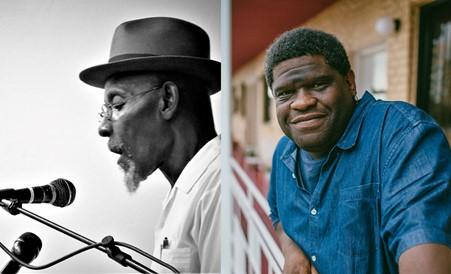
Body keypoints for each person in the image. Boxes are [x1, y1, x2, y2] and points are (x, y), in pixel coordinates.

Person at [265, 27, 451, 274]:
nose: (302, 102)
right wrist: (292, 252)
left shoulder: (403, 136)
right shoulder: (283, 152)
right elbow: (277, 214)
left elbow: (420, 234)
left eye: (319, 84)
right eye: (285, 93)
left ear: (350, 82)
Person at [79, 17, 220, 273]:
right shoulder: (190, 190)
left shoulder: (219, 191)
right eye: (105, 110)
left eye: (118, 104)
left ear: (167, 100)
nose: (103, 127)